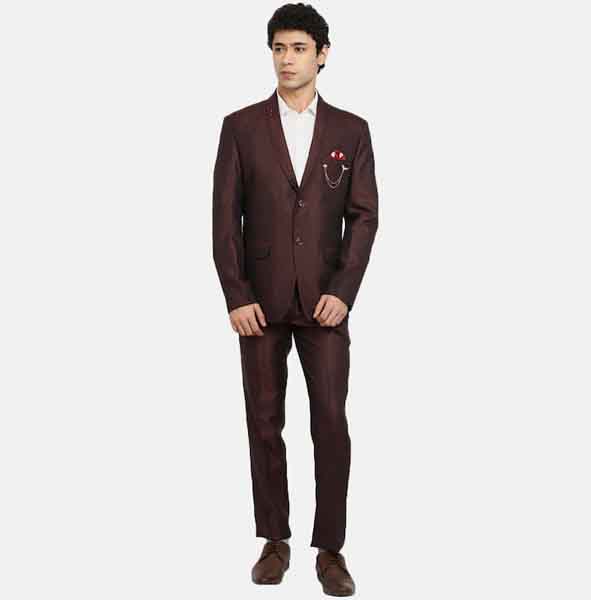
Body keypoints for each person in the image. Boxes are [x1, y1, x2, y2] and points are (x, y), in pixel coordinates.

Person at [212, 3, 378, 596]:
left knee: (330, 421)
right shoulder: (240, 127)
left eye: (299, 49)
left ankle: (330, 549)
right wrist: (236, 295)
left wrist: (343, 292)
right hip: (259, 304)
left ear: (322, 55)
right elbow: (224, 219)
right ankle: (274, 540)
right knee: (263, 421)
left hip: (325, 305)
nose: (287, 59)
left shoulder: (351, 131)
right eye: (279, 48)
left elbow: (364, 218)